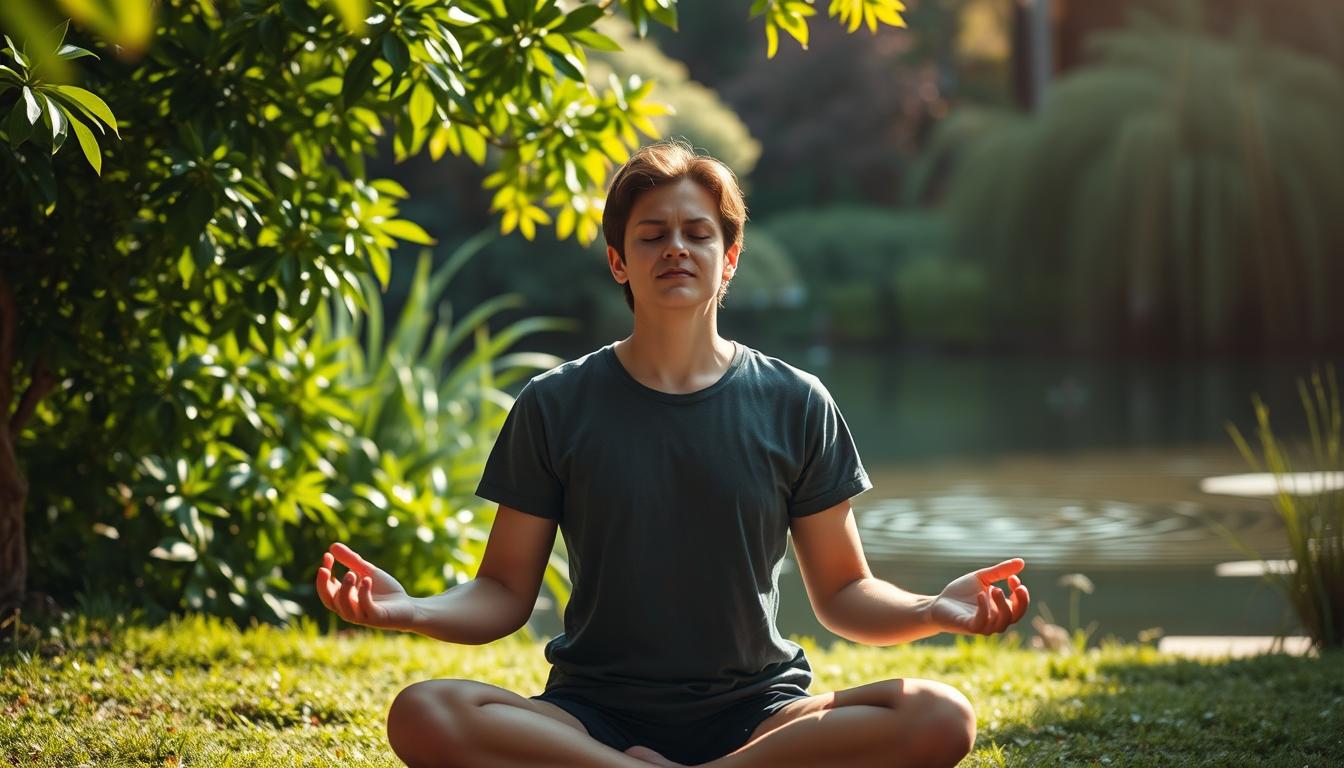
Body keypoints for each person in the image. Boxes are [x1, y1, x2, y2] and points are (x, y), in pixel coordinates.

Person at [315, 140, 1031, 768]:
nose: (676, 249)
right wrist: (412, 609)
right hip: (591, 713)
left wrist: (935, 608)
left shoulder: (796, 401)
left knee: (940, 716)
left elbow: (845, 594)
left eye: (697, 233)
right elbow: (502, 593)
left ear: (729, 259)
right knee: (424, 712)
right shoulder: (555, 403)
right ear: (619, 261)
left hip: (761, 712)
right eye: (652, 235)